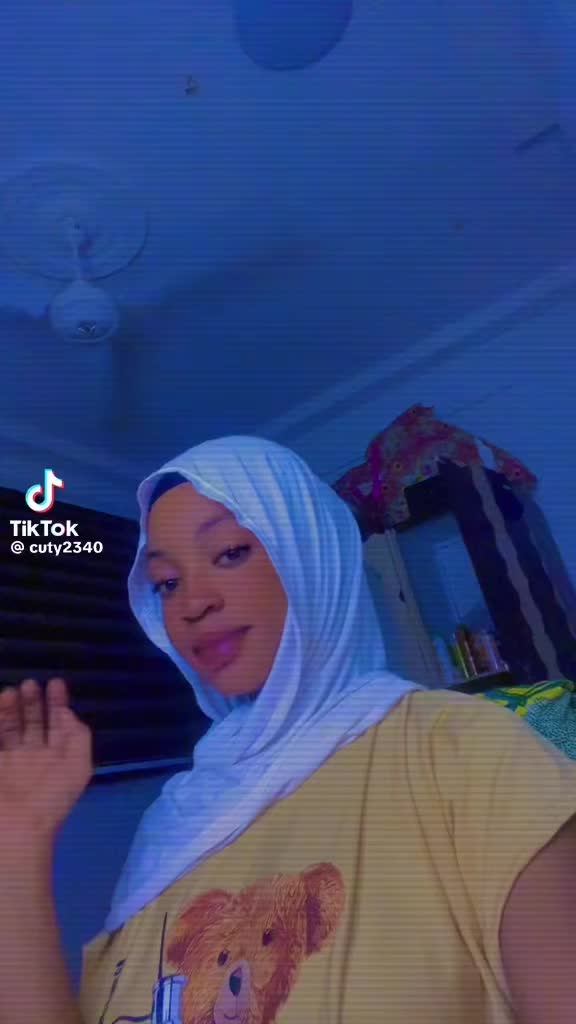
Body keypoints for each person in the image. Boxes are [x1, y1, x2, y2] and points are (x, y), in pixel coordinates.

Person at [1, 435, 576, 1024]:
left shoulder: (460, 749)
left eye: (229, 552)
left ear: (310, 556)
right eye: (167, 582)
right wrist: (18, 835)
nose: (191, 604)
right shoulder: (174, 822)